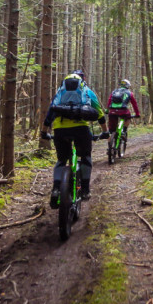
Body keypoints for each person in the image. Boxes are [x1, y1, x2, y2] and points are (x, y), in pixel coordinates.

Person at [41, 71, 109, 207]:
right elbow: (99, 114)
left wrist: (44, 132)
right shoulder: (87, 91)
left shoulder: (60, 92)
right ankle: (85, 190)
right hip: (81, 130)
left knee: (61, 160)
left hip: (60, 130)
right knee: (85, 158)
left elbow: (50, 113)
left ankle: (55, 189)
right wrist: (105, 131)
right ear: (82, 80)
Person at [107, 79, 141, 143]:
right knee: (128, 117)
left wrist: (107, 110)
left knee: (111, 130)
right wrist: (137, 114)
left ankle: (110, 146)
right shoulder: (129, 93)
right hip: (123, 111)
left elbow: (109, 100)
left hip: (112, 111)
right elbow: (134, 104)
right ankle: (124, 130)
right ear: (127, 86)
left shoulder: (114, 91)